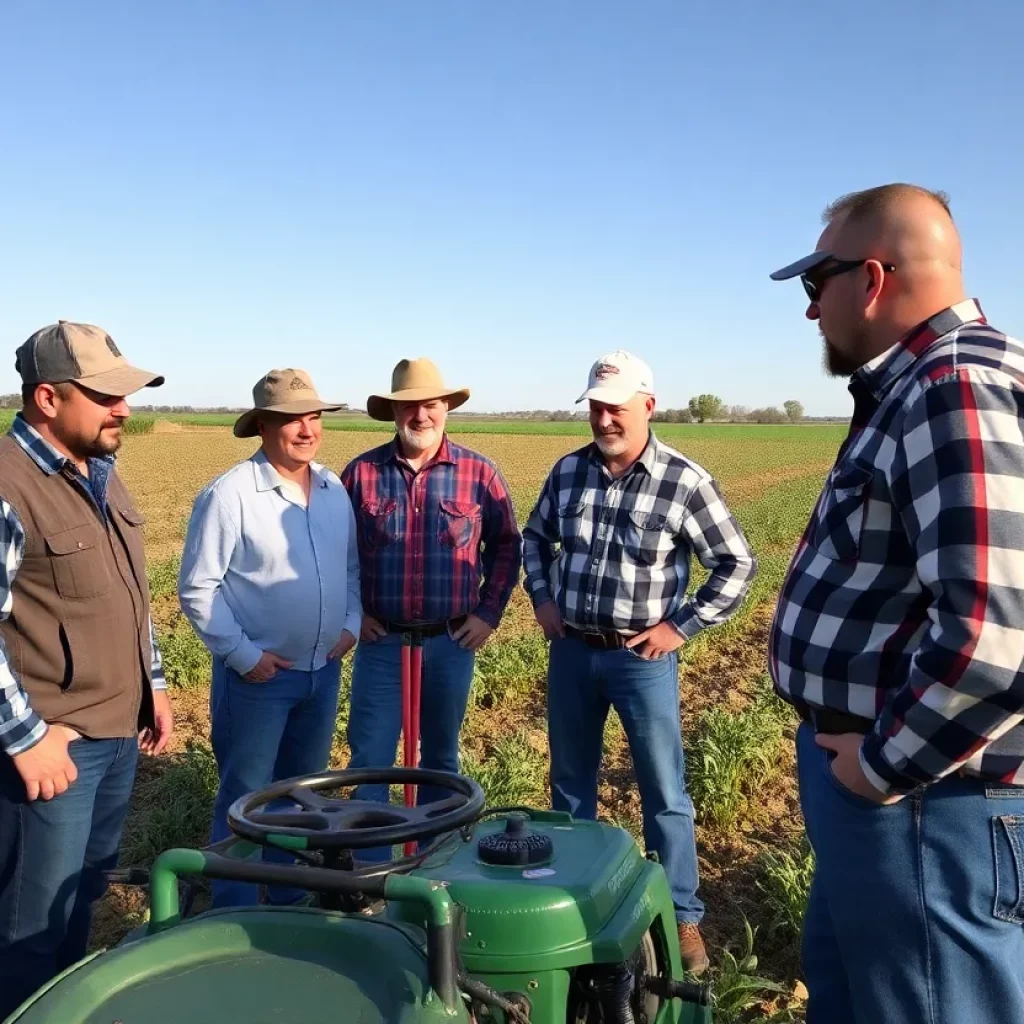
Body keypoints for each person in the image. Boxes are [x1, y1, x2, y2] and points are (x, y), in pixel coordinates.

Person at [768, 183, 1024, 1024]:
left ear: (871, 279)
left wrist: (873, 772)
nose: (812, 312)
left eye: (817, 284)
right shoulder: (923, 386)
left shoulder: (953, 385)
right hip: (900, 797)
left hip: (925, 805)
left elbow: (995, 640)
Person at [521, 350, 756, 974]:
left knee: (663, 789)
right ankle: (572, 896)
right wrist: (542, 598)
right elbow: (535, 539)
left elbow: (737, 564)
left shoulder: (685, 480)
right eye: (596, 408)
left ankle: (682, 917)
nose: (604, 420)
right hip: (572, 651)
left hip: (639, 658)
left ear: (647, 406)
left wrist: (680, 627)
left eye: (616, 408)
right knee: (570, 782)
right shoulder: (568, 472)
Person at [0, 320, 174, 1019]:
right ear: (47, 398)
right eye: (105, 395)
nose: (123, 409)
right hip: (53, 751)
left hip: (114, 738)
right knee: (29, 932)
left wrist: (153, 684)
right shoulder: (9, 485)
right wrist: (24, 738)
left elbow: (130, 596)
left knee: (80, 907)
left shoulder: (98, 474)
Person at [178, 368, 361, 907]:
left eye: (312, 418)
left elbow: (350, 570)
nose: (305, 429)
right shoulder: (230, 495)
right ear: (262, 426)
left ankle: (289, 900)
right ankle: (232, 910)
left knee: (302, 796)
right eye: (289, 420)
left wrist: (350, 625)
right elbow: (197, 588)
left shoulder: (332, 489)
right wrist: (244, 656)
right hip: (258, 679)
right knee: (244, 797)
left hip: (322, 672)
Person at [340, 357, 521, 858]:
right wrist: (354, 613)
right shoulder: (361, 474)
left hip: (449, 641)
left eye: (431, 405)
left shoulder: (479, 473)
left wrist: (488, 613)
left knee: (441, 758)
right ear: (394, 412)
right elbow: (337, 554)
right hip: (382, 644)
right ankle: (369, 876)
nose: (421, 415)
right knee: (372, 758)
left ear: (446, 409)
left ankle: (439, 864)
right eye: (410, 406)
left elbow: (507, 545)